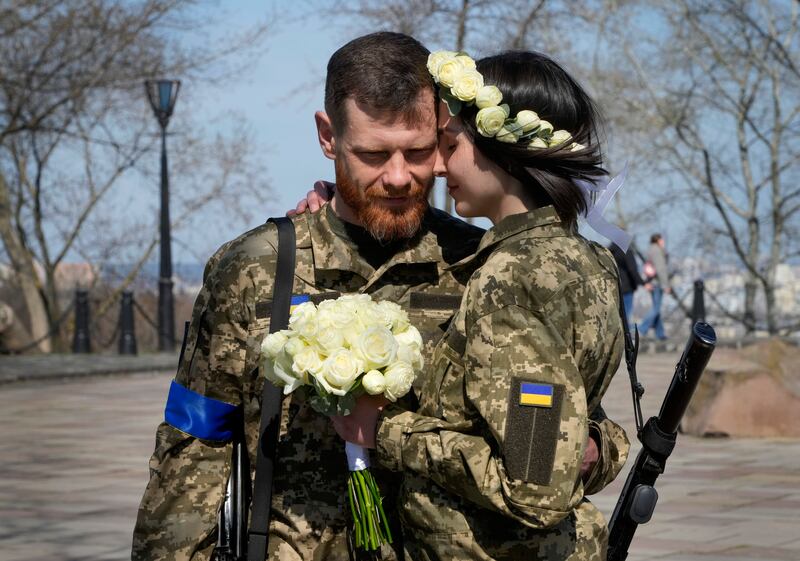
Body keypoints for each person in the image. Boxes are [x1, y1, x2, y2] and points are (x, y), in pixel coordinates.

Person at [132, 33, 627, 561]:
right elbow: (195, 439)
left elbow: (578, 424)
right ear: (328, 137)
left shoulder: (483, 265)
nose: (399, 177)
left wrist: (587, 452)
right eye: (372, 154)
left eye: (418, 152)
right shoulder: (257, 268)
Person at [332, 50, 629, 560]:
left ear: (499, 148)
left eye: (450, 144)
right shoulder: (587, 259)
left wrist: (384, 430)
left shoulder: (510, 278)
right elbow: (566, 431)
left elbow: (535, 488)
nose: (441, 165)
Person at [638, 233, 670, 340]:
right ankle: (642, 329)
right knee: (656, 308)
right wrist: (665, 284)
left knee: (657, 307)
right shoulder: (656, 251)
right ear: (658, 240)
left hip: (652, 282)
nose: (663, 242)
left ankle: (660, 333)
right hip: (657, 283)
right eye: (662, 240)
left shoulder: (651, 249)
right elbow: (660, 268)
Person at [610, 244, 646, 330]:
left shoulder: (609, 251)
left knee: (616, 315)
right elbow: (632, 269)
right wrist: (642, 283)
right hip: (626, 287)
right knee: (625, 316)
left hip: (613, 287)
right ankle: (626, 338)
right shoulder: (626, 250)